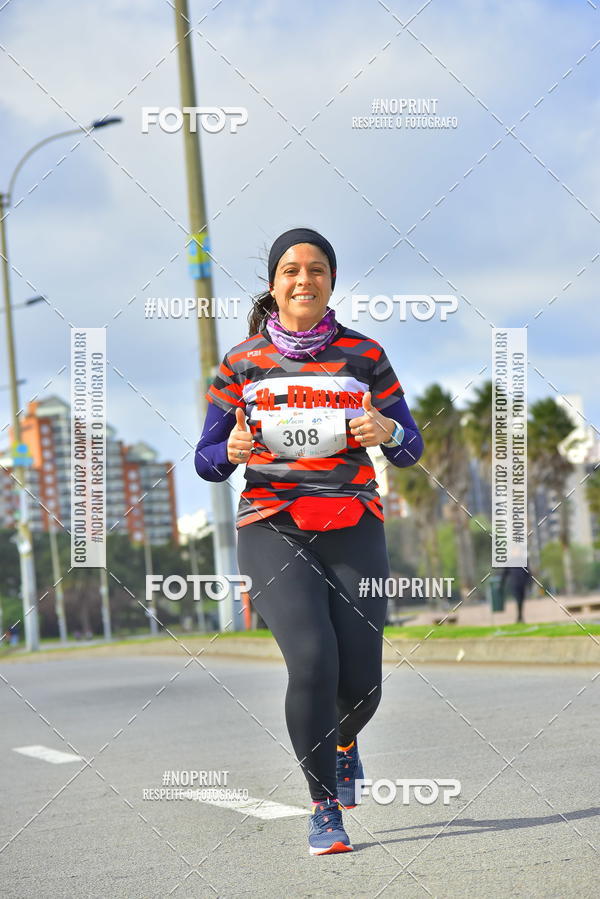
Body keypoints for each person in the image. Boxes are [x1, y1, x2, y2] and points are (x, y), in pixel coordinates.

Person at [195, 227, 424, 855]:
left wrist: (385, 428)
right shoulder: (241, 362)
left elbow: (409, 448)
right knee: (313, 661)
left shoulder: (364, 355)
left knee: (364, 685)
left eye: (317, 270)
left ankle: (345, 742)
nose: (304, 280)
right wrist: (230, 449)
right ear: (273, 284)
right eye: (291, 270)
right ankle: (324, 805)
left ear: (331, 281)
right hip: (271, 526)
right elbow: (207, 459)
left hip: (354, 525)